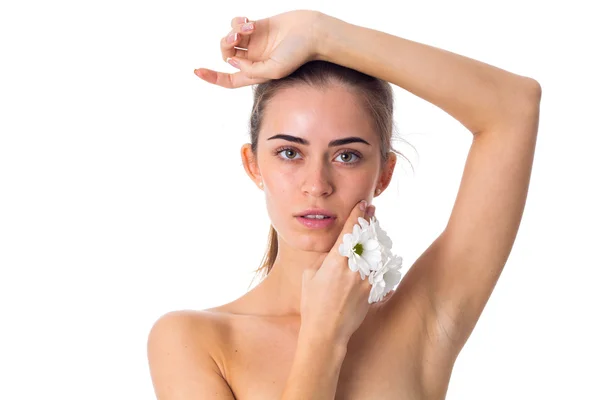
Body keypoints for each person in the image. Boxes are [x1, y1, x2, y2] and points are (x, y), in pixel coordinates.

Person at [147, 10, 541, 399]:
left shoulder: (424, 318)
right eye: (289, 152)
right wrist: (323, 339)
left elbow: (514, 106)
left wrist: (321, 33)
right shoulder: (193, 341)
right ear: (254, 166)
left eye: (347, 156)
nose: (316, 185)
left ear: (384, 174)